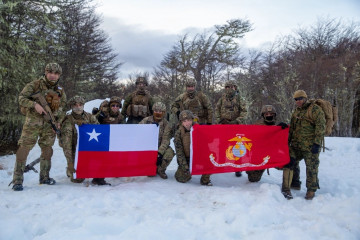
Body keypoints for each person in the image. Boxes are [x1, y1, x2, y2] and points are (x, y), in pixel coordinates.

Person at [11, 63, 67, 191]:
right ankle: (17, 181)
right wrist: (34, 105)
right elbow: (21, 98)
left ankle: (44, 177)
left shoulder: (60, 90)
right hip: (32, 123)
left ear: (59, 75)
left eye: (56, 73)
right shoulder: (34, 85)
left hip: (49, 124)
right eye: (50, 72)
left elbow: (62, 108)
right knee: (23, 149)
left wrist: (58, 122)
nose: (53, 75)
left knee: (47, 150)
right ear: (46, 72)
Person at [281, 90, 325, 200]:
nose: (298, 101)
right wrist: (286, 140)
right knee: (291, 162)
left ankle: (311, 190)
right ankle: (295, 183)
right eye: (296, 99)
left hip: (310, 146)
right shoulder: (296, 111)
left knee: (311, 167)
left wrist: (317, 143)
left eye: (300, 99)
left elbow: (321, 127)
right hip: (296, 145)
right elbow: (292, 128)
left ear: (305, 98)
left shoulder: (315, 109)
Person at [61, 96, 109, 185]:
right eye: (75, 105)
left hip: (89, 148)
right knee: (78, 179)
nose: (78, 107)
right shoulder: (68, 121)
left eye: (80, 104)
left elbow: (99, 131)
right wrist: (70, 162)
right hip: (76, 151)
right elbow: (66, 145)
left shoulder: (90, 117)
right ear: (71, 106)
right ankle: (69, 170)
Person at [246, 105, 288, 182]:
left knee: (289, 161)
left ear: (274, 115)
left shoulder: (277, 123)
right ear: (263, 115)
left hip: (273, 153)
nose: (269, 116)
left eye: (271, 114)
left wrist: (281, 130)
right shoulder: (258, 125)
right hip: (260, 155)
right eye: (267, 114)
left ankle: (290, 184)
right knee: (253, 179)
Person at [215, 80, 247, 177]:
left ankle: (238, 168)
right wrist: (219, 120)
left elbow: (244, 112)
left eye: (232, 87)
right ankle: (220, 164)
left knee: (238, 147)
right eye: (227, 87)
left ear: (235, 88)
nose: (229, 89)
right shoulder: (222, 98)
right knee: (222, 145)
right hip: (224, 126)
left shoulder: (240, 98)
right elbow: (217, 109)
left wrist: (237, 121)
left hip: (236, 126)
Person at [174, 110, 212, 186]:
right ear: (181, 122)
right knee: (183, 178)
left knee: (211, 159)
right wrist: (185, 167)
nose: (187, 123)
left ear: (192, 120)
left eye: (189, 120)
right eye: (184, 121)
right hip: (187, 158)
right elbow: (179, 152)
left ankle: (205, 179)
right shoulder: (178, 133)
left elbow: (207, 146)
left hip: (198, 157)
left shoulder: (199, 129)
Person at [139, 102, 175, 179]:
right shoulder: (146, 121)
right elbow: (137, 132)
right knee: (150, 173)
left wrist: (159, 153)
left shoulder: (166, 124)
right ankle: (149, 167)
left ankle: (160, 169)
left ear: (163, 112)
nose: (158, 113)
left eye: (160, 111)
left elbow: (166, 140)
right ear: (153, 111)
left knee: (170, 152)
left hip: (160, 147)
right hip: (147, 147)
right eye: (156, 110)